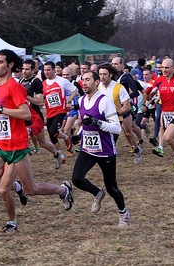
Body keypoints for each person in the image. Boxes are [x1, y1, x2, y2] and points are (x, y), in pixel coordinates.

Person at [0, 50, 73, 244]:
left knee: (31, 189)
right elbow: (2, 118)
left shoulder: (15, 87)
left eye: (1, 62)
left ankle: (63, 190)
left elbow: (26, 115)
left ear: (11, 65)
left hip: (17, 147)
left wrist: (0, 108)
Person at [72, 71, 130, 226]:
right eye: (82, 80)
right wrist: (79, 135)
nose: (84, 83)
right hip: (87, 149)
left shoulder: (105, 101)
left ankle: (123, 213)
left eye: (87, 80)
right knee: (76, 179)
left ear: (96, 82)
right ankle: (97, 193)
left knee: (112, 187)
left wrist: (98, 123)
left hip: (105, 151)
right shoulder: (82, 100)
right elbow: (85, 122)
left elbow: (116, 128)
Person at [19, 59, 63, 168]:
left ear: (33, 70)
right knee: (22, 139)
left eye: (27, 69)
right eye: (23, 69)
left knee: (42, 143)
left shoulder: (36, 82)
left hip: (34, 116)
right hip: (23, 114)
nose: (24, 71)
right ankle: (22, 165)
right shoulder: (20, 81)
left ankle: (57, 154)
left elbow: (39, 101)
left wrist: (25, 96)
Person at [98, 63, 142, 164]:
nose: (102, 77)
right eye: (100, 74)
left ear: (111, 75)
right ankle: (108, 158)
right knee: (106, 139)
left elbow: (126, 106)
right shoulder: (99, 86)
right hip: (106, 118)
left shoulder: (119, 87)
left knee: (128, 132)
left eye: (105, 74)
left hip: (119, 116)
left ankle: (136, 149)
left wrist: (115, 114)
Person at [42, 61, 78, 160]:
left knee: (54, 131)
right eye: (45, 70)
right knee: (51, 135)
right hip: (50, 112)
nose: (46, 72)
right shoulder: (44, 83)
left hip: (61, 111)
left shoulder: (62, 81)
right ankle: (60, 155)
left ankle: (67, 138)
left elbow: (75, 90)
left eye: (48, 70)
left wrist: (69, 101)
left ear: (54, 70)